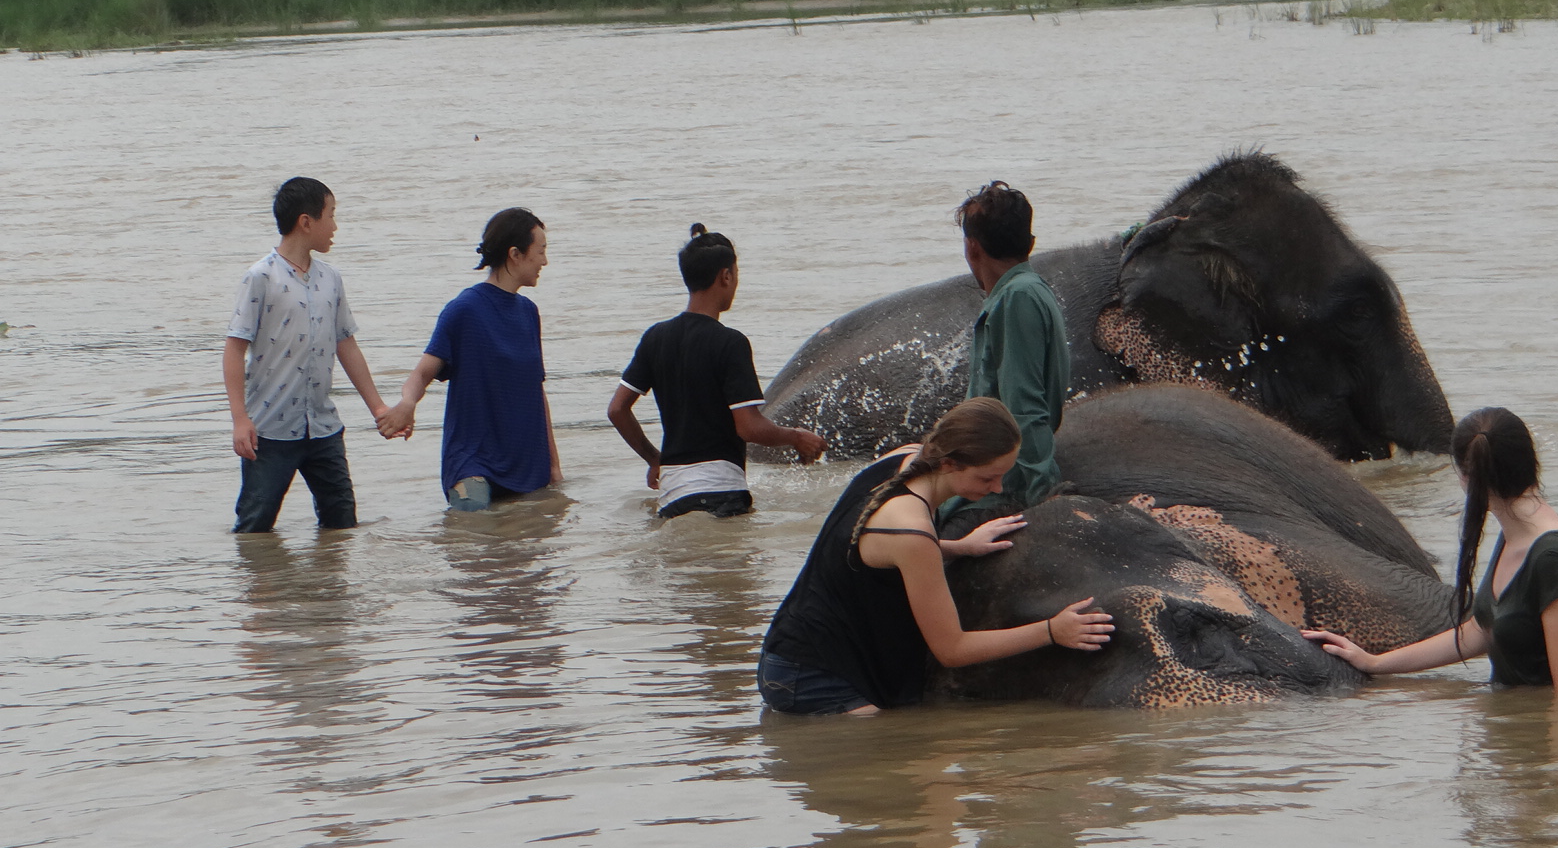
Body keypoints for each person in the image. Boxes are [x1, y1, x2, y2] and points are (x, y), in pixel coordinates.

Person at [759, 397, 1113, 715]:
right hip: (812, 676)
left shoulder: (905, 458)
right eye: (988, 477)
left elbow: (865, 545)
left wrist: (960, 546)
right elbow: (952, 648)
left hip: (796, 650)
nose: (998, 489)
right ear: (947, 463)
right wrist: (1052, 630)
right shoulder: (912, 532)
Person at [1302, 407, 1558, 693]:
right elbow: (1480, 632)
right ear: (1531, 461)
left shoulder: (1553, 559)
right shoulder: (1514, 535)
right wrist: (1374, 662)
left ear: (1467, 479)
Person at [609, 224, 827, 518]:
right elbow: (748, 427)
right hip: (722, 493)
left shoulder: (655, 337)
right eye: (736, 275)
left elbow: (617, 410)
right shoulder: (730, 342)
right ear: (726, 276)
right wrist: (796, 437)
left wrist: (653, 458)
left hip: (672, 497)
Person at [224, 177, 391, 533]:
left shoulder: (331, 278)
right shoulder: (260, 277)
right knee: (255, 529)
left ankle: (327, 588)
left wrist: (378, 408)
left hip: (323, 427)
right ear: (306, 221)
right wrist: (240, 419)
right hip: (269, 431)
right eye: (331, 215)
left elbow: (346, 345)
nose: (335, 225)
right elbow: (234, 349)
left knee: (342, 526)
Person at [377, 208, 562, 511]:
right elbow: (422, 373)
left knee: (526, 550)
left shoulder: (529, 313)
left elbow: (536, 392)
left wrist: (554, 465)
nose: (545, 261)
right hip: (474, 463)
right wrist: (408, 404)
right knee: (472, 542)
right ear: (515, 254)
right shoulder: (464, 309)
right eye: (540, 251)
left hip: (529, 465)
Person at [945, 181, 1071, 528]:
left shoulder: (1016, 299)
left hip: (996, 486)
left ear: (972, 249)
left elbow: (1023, 404)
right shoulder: (1027, 290)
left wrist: (1042, 494)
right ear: (1030, 245)